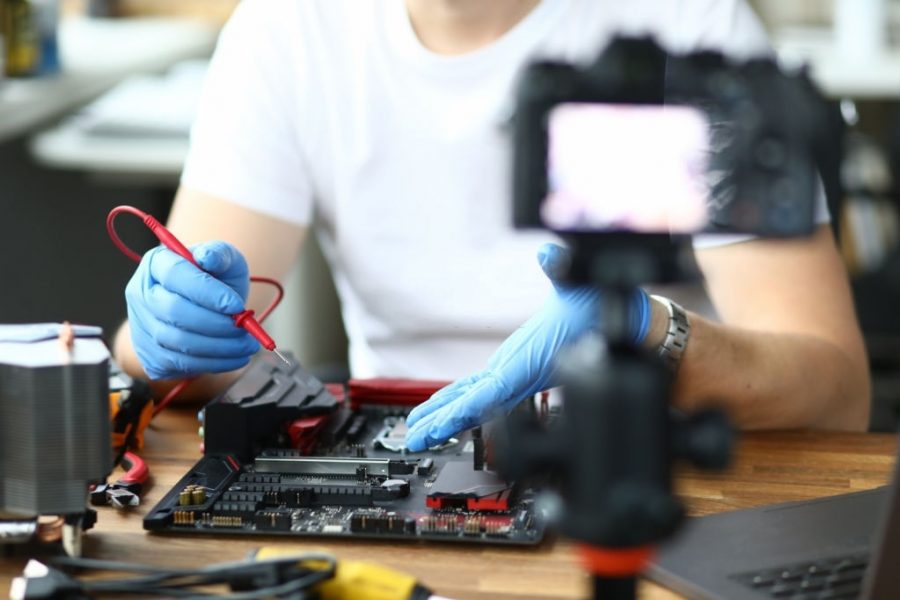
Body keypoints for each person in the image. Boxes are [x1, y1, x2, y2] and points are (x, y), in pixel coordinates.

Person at [114, 0, 871, 453]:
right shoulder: (287, 30)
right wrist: (163, 338)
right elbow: (183, 360)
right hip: (398, 459)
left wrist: (646, 333)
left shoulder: (680, 21)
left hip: (641, 455)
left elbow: (837, 393)